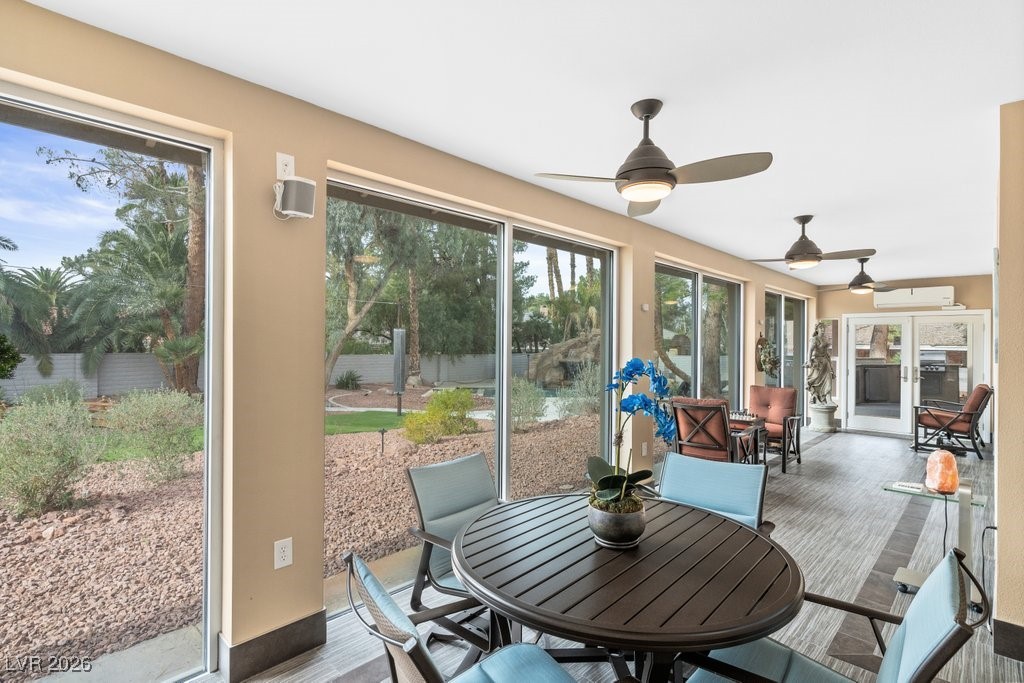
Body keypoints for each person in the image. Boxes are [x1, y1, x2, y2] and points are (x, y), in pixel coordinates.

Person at [805, 321, 835, 405]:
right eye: (821, 328)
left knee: (828, 380)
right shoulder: (814, 339)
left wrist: (832, 368)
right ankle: (815, 397)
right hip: (818, 363)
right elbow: (810, 351)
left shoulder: (825, 339)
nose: (823, 329)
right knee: (816, 380)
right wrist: (808, 361)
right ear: (817, 329)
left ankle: (828, 399)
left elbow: (826, 353)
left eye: (824, 328)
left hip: (825, 362)